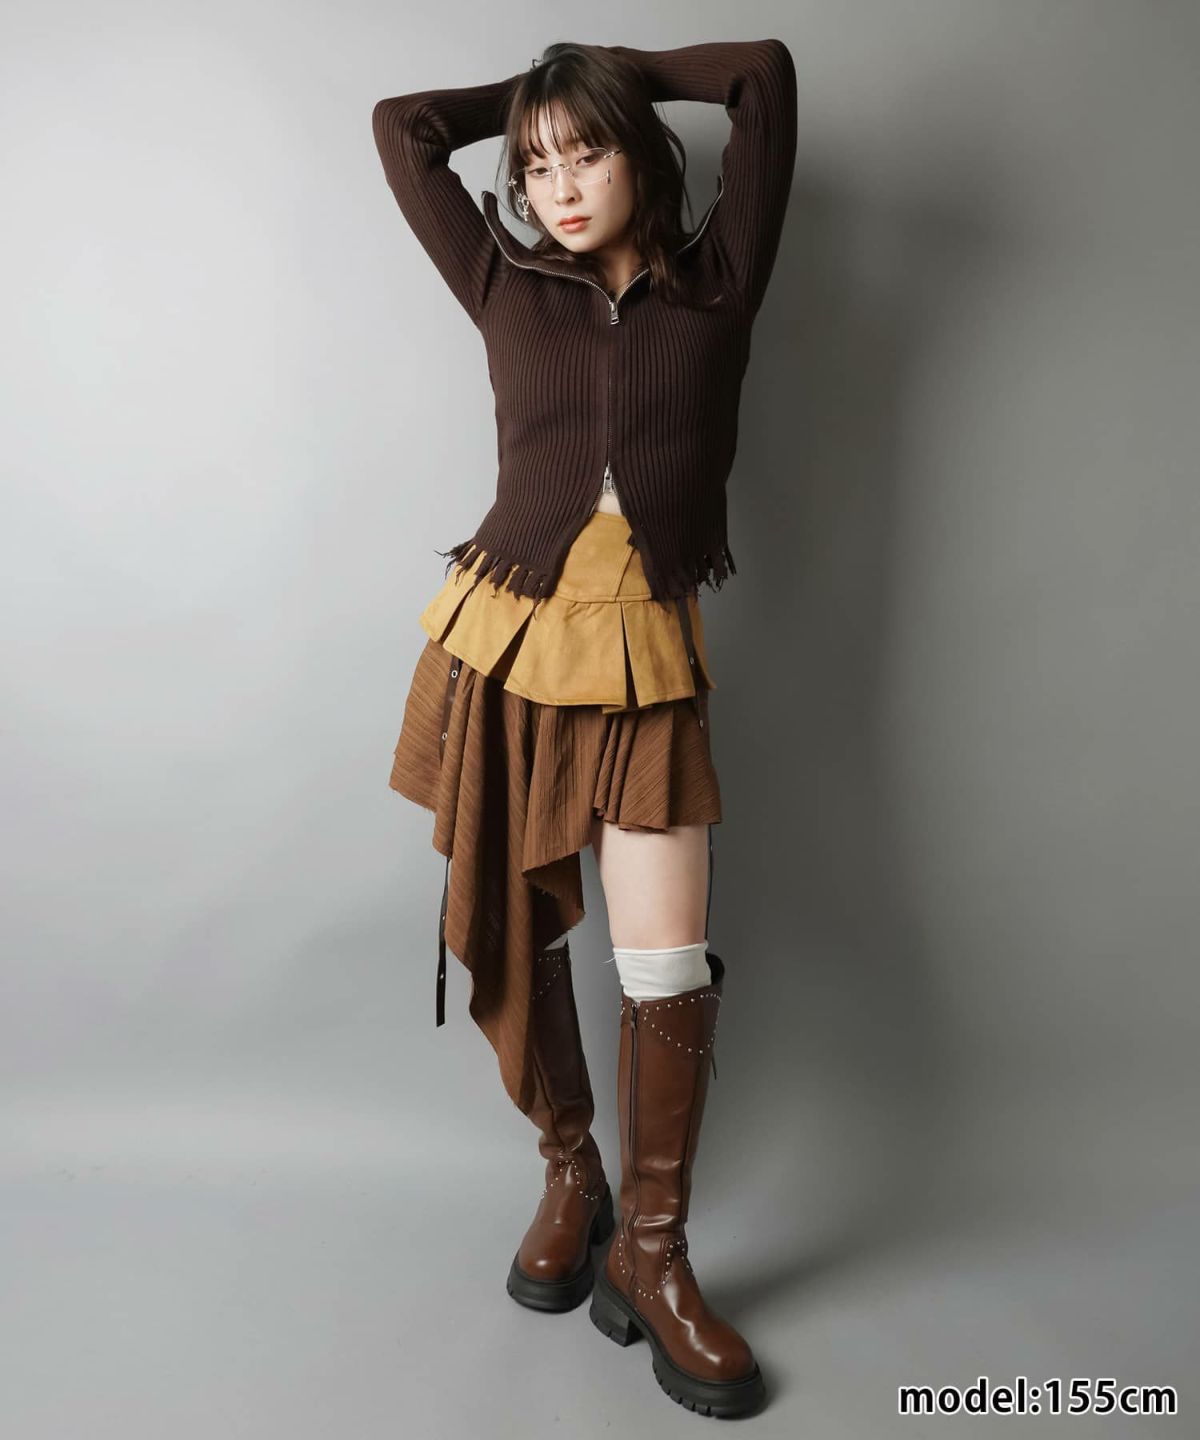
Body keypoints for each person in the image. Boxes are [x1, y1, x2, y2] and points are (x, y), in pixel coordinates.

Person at [372, 37, 795, 1418]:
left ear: (640, 156)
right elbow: (403, 125)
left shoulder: (720, 278)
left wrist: (600, 75)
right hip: (507, 640)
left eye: (587, 151)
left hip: (648, 650)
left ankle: (652, 1258)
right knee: (521, 921)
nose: (556, 186)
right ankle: (572, 1174)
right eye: (535, 162)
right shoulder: (501, 278)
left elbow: (764, 77)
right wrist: (543, 96)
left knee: (665, 961)